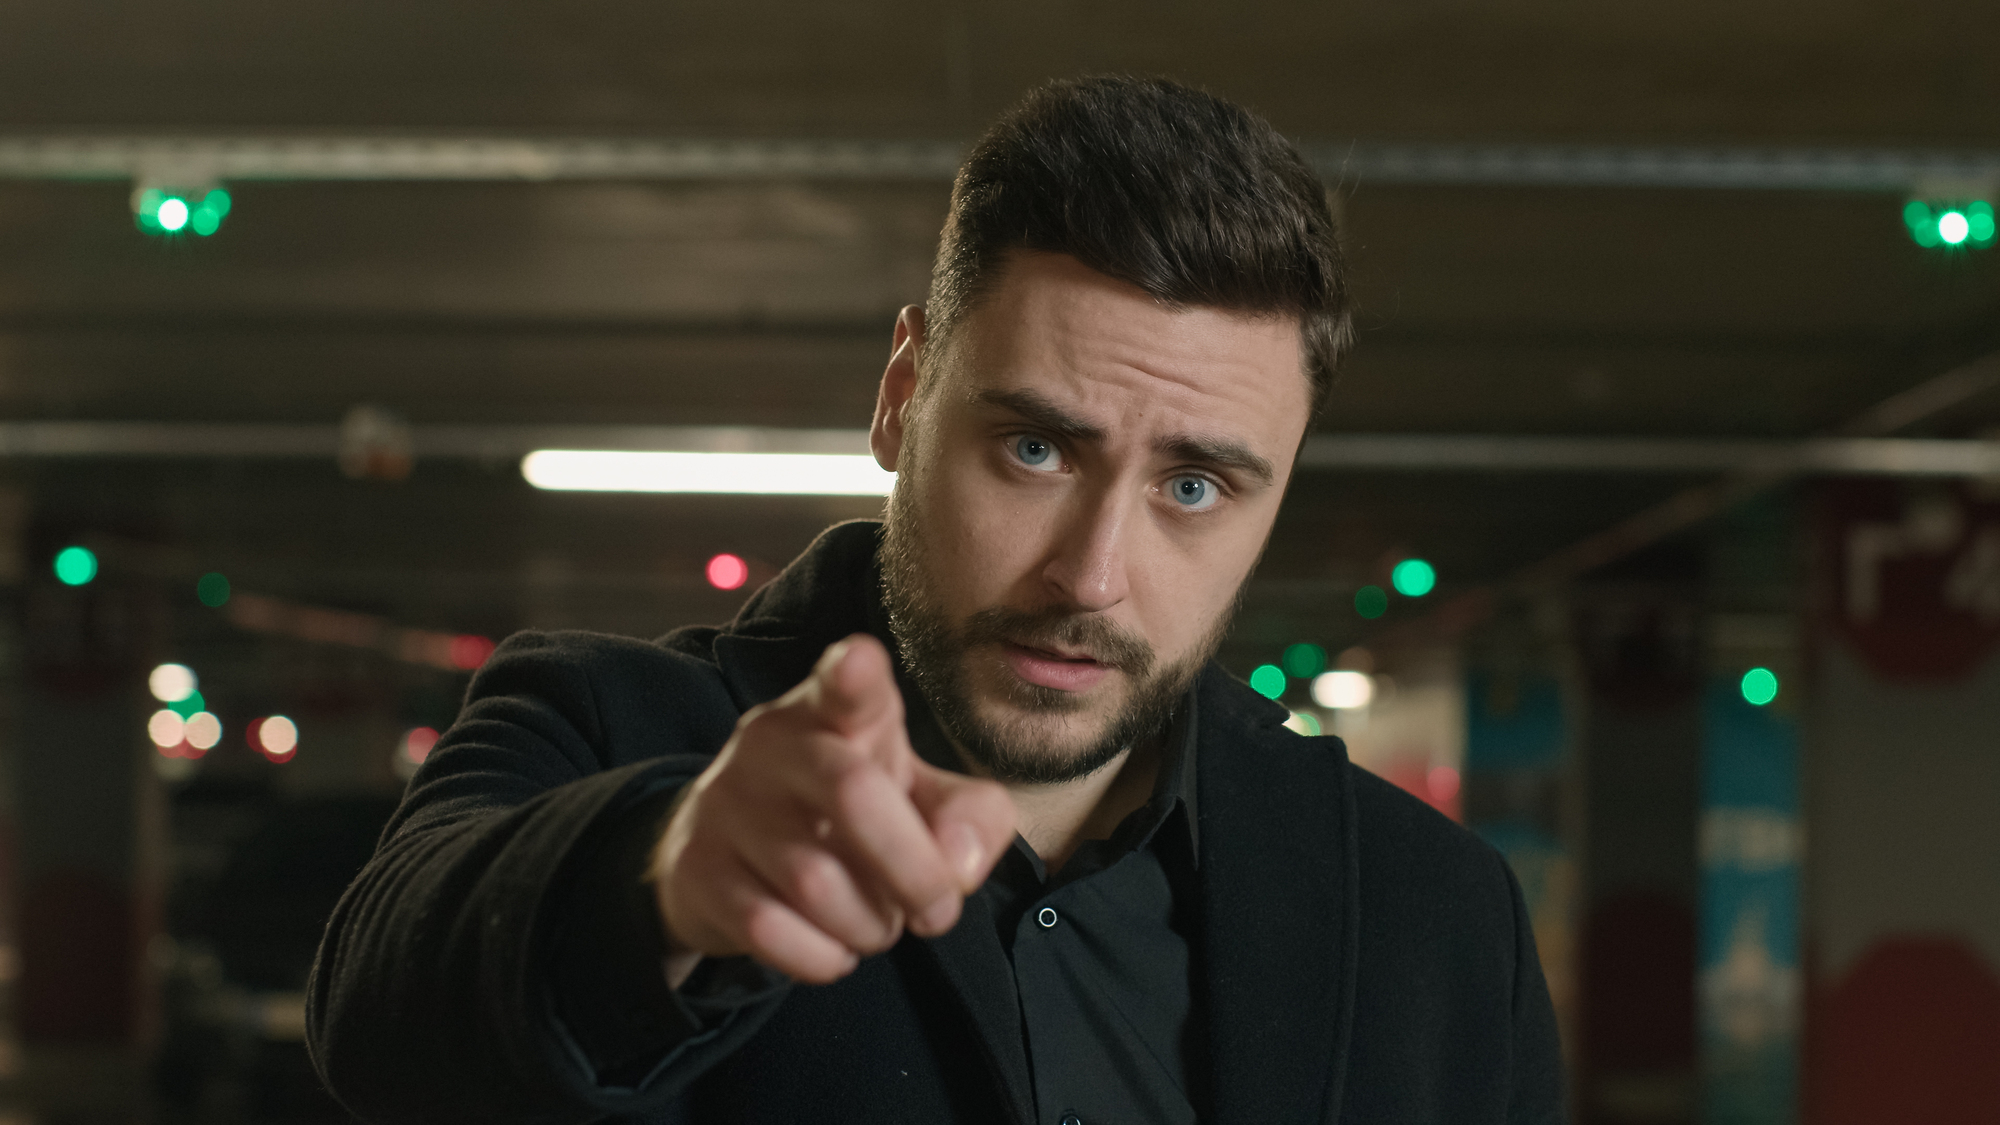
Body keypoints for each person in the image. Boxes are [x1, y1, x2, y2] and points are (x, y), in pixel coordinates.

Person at [307, 75, 1563, 1125]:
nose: (1089, 575)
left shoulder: (1433, 915)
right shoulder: (605, 726)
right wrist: (664, 888)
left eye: (1192, 486)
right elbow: (381, 1023)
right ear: (904, 393)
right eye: (1035, 451)